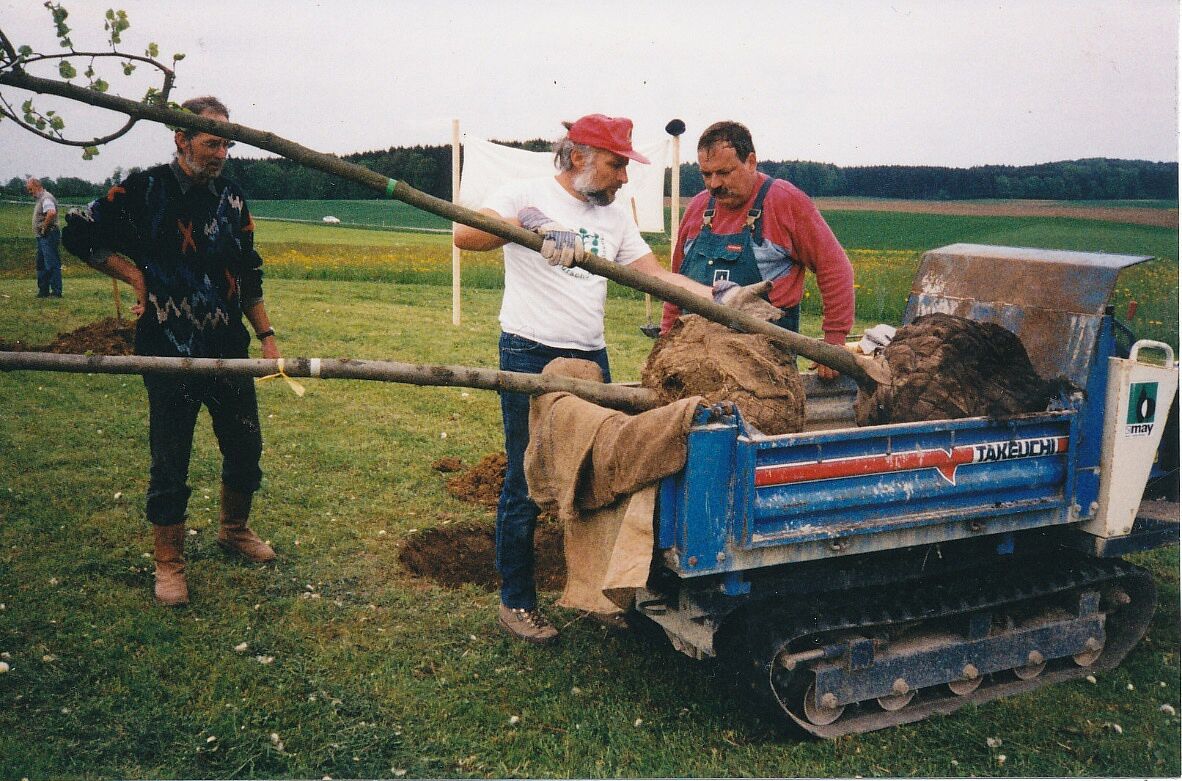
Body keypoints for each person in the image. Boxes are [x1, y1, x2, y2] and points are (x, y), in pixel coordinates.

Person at [454, 114, 773, 644]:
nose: (625, 177)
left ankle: (597, 593)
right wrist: (528, 225)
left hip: (589, 356)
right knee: (525, 477)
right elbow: (464, 234)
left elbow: (651, 274)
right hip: (529, 352)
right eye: (617, 163)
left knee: (595, 473)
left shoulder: (614, 216)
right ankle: (517, 601)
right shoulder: (522, 192)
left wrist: (719, 301)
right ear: (577, 157)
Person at [62, 96, 280, 607]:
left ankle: (234, 530)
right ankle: (169, 565)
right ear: (180, 138)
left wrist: (267, 334)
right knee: (171, 458)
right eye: (211, 142)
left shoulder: (232, 197)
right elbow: (77, 230)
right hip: (167, 346)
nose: (222, 153)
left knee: (246, 446)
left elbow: (248, 269)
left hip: (228, 347)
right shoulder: (144, 189)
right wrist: (135, 275)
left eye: (227, 143)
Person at [661, 121, 855, 380]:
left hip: (763, 367)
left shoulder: (785, 201)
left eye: (724, 172)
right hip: (697, 361)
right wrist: (665, 340)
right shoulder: (697, 208)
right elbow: (676, 285)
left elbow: (835, 268)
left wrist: (834, 340)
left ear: (751, 161)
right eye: (706, 175)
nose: (714, 184)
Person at [27, 177, 62, 298]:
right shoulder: (41, 198)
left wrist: (43, 228)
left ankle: (56, 292)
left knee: (51, 263)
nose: (30, 192)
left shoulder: (46, 198)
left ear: (37, 186)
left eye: (30, 189)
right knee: (41, 264)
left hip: (48, 235)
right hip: (43, 236)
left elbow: (51, 212)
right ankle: (44, 290)